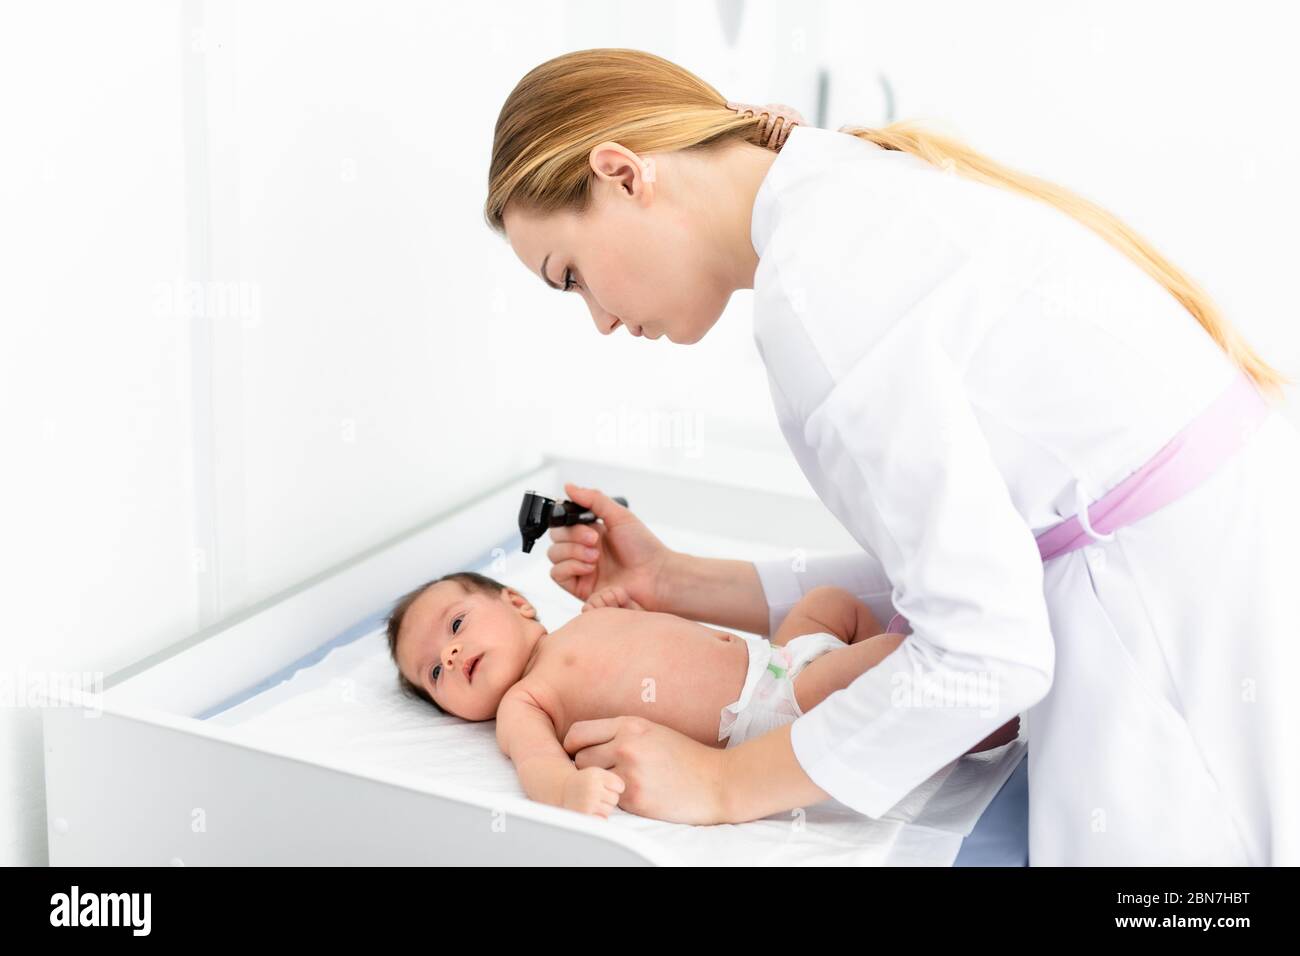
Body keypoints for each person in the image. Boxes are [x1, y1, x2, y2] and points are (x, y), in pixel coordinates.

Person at [484, 48, 1299, 864]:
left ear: (623, 174)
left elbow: (984, 652)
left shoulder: (819, 294)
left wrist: (720, 784)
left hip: (1173, 650)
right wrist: (675, 582)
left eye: (572, 276)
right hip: (1206, 572)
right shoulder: (844, 198)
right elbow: (968, 566)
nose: (599, 320)